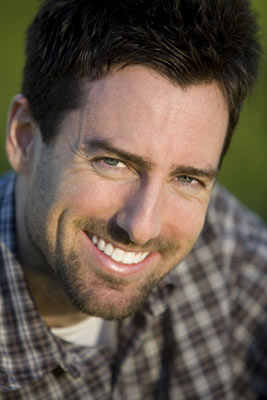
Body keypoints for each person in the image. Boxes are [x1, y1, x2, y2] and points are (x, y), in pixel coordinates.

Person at [0, 0, 266, 398]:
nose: (142, 227)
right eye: (113, 162)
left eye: (188, 179)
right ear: (24, 137)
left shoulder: (234, 263)